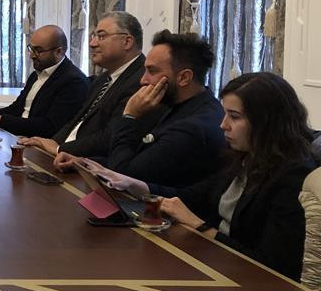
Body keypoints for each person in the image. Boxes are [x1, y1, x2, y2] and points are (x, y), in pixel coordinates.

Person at [86, 73, 316, 281]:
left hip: (249, 284)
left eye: (234, 117)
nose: (223, 125)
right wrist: (133, 184)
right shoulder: (244, 157)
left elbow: (274, 266)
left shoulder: (293, 176)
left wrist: (199, 225)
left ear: (267, 122)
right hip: (218, 265)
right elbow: (194, 196)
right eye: (225, 114)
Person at [60, 30, 225, 188]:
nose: (143, 80)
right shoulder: (179, 104)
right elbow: (136, 158)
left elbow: (123, 176)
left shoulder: (192, 128)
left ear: (183, 77)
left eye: (152, 71)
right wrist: (85, 163)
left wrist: (129, 116)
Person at [19, 11, 145, 166]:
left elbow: (111, 135)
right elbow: (77, 119)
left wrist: (59, 148)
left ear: (127, 41)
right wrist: (52, 142)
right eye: (93, 36)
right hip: (64, 156)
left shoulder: (142, 80)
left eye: (101, 36)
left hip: (91, 167)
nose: (92, 43)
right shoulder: (103, 78)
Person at [0, 24, 88, 137]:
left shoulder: (74, 82)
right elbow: (16, 109)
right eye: (31, 48)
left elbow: (50, 127)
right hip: (18, 137)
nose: (31, 55)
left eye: (38, 50)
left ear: (59, 52)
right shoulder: (36, 75)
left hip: (39, 145)